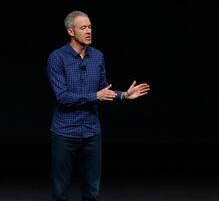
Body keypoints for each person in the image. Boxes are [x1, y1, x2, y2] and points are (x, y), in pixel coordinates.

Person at [47, 11, 150, 201]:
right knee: (60, 190)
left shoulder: (97, 56)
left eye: (90, 27)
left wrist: (124, 96)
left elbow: (104, 89)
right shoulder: (57, 58)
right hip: (64, 132)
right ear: (71, 31)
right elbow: (62, 97)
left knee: (92, 191)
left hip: (91, 132)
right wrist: (95, 96)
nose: (88, 31)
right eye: (83, 27)